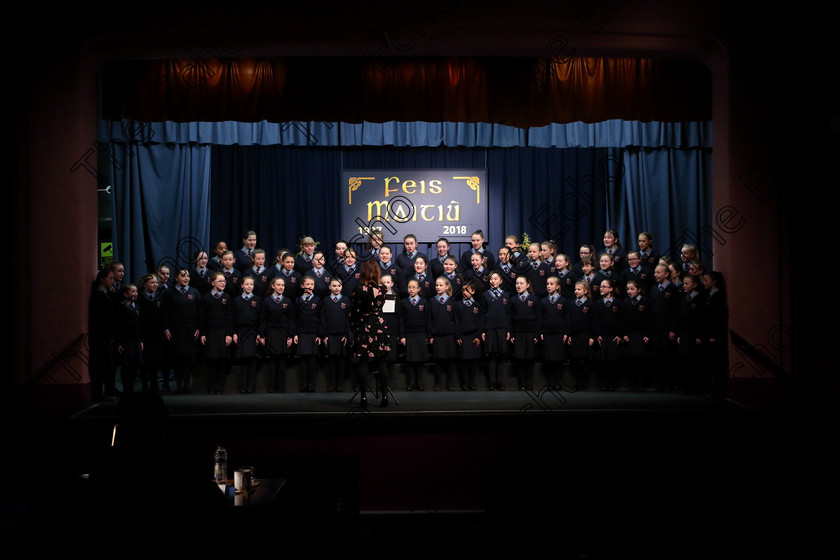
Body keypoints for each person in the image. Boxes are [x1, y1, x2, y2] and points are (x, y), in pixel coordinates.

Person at [349, 259, 392, 408]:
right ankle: (385, 397)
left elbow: (353, 311)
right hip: (379, 325)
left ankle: (364, 398)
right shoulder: (383, 289)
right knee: (381, 362)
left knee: (363, 362)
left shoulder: (359, 289)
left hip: (364, 324)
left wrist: (354, 327)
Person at [162, 268, 201, 393]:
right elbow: (164, 313)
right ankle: (179, 386)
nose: (186, 278)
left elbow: (201, 312)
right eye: (183, 276)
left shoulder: (194, 292)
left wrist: (199, 328)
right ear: (176, 278)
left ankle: (186, 385)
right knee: (177, 359)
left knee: (189, 359)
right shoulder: (169, 292)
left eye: (188, 276)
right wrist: (166, 329)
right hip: (176, 331)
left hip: (191, 330)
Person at [200, 272, 234, 394]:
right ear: (213, 282)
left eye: (224, 281)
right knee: (212, 360)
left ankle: (221, 386)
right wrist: (203, 333)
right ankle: (212, 386)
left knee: (222, 361)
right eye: (220, 281)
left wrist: (229, 334)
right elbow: (202, 317)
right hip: (210, 332)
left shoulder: (227, 297)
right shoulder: (206, 297)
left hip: (223, 332)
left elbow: (230, 317)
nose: (223, 283)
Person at [260, 276, 294, 393]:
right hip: (271, 332)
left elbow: (291, 319)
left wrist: (290, 336)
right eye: (278, 285)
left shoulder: (287, 301)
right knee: (273, 360)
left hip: (283, 333)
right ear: (273, 286)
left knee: (282, 361)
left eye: (283, 285)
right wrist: (262, 335)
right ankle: (272, 386)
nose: (281, 287)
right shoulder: (267, 301)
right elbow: (263, 319)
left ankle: (281, 386)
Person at [481, 271, 512, 390]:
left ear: (500, 281)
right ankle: (492, 382)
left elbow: (508, 313)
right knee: (492, 356)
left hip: (502, 328)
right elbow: (483, 313)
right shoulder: (485, 295)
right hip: (490, 328)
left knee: (501, 356)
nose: (493, 281)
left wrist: (508, 329)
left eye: (495, 279)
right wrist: (483, 330)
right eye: (491, 279)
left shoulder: (506, 295)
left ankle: (500, 381)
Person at [320, 278, 352, 392]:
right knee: (332, 361)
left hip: (342, 336)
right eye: (334, 286)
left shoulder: (346, 300)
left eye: (338, 285)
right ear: (329, 287)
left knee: (342, 361)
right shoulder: (325, 301)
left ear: (342, 287)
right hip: (330, 335)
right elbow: (323, 319)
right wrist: (324, 335)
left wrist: (347, 335)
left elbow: (348, 319)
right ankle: (332, 384)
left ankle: (340, 384)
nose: (336, 288)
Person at [427, 276, 459, 391]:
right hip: (437, 336)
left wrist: (456, 336)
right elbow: (429, 320)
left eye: (441, 285)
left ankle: (450, 383)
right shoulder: (432, 301)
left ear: (446, 287)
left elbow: (456, 320)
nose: (438, 287)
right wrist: (430, 335)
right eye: (436, 285)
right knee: (438, 361)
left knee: (450, 361)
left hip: (449, 335)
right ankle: (437, 383)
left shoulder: (451, 301)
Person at [509, 276, 541, 390]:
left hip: (530, 333)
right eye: (517, 283)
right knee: (520, 359)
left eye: (521, 283)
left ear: (527, 285)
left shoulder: (534, 299)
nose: (518, 285)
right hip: (518, 333)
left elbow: (538, 318)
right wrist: (512, 334)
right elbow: (510, 318)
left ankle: (529, 383)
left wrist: (536, 334)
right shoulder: (513, 300)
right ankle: (522, 383)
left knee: (529, 359)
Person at [701, 270, 729, 398]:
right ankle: (714, 389)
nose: (703, 282)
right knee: (711, 364)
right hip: (709, 334)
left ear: (714, 281)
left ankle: (719, 390)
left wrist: (714, 336)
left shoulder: (718, 296)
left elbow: (718, 318)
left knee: (717, 364)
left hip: (715, 336)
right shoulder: (709, 295)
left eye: (706, 280)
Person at [620, 278, 651, 391]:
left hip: (641, 335)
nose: (629, 291)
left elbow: (648, 320)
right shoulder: (625, 302)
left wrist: (647, 334)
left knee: (641, 361)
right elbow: (622, 320)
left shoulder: (645, 301)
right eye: (628, 289)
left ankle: (641, 384)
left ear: (638, 290)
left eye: (632, 289)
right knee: (631, 361)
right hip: (630, 335)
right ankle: (632, 384)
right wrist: (624, 334)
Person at [676, 274, 705, 394]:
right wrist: (679, 334)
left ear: (695, 285)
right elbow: (680, 318)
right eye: (683, 283)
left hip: (694, 334)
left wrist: (699, 335)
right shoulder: (683, 299)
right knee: (684, 360)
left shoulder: (700, 299)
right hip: (684, 334)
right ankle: (686, 385)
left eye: (687, 283)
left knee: (695, 361)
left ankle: (696, 387)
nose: (684, 286)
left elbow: (702, 319)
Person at [232, 276, 262, 393]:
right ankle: (243, 385)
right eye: (247, 284)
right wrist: (234, 332)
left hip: (253, 332)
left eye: (251, 284)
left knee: (252, 360)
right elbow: (232, 318)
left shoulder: (257, 300)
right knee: (243, 360)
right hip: (240, 332)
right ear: (242, 285)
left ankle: (251, 386)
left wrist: (259, 334)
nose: (249, 286)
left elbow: (261, 318)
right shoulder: (237, 300)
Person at [137, 273, 166, 392]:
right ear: (144, 284)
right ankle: (144, 385)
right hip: (144, 335)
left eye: (156, 283)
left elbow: (163, 316)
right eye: (152, 282)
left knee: (155, 361)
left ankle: (154, 385)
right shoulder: (139, 298)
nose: (155, 285)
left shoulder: (159, 296)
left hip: (157, 335)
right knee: (145, 361)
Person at [592, 278, 622, 391]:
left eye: (604, 287)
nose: (601, 288)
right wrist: (598, 334)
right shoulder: (598, 303)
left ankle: (612, 383)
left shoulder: (618, 303)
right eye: (600, 286)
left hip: (614, 336)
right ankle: (604, 383)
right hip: (603, 336)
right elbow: (596, 320)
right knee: (603, 361)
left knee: (612, 361)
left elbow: (620, 320)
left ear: (611, 289)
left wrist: (619, 334)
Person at [540, 275, 569, 391]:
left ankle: (557, 382)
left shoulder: (563, 301)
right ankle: (550, 382)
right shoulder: (543, 301)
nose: (549, 286)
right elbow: (541, 318)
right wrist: (541, 331)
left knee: (558, 360)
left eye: (551, 284)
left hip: (559, 334)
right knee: (548, 359)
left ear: (557, 286)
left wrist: (566, 333)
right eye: (547, 284)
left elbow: (567, 318)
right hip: (547, 333)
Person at [399, 278, 429, 391]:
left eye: (413, 287)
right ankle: (410, 382)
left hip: (421, 334)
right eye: (409, 287)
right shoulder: (404, 302)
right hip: (409, 335)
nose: (411, 289)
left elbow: (427, 320)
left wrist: (428, 335)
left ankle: (420, 382)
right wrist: (402, 336)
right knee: (410, 361)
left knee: (420, 361)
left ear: (419, 289)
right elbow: (401, 320)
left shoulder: (424, 302)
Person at [294, 275, 322, 392]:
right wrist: (295, 333)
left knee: (312, 361)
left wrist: (320, 335)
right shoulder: (297, 300)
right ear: (302, 286)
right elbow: (294, 318)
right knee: (303, 361)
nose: (309, 286)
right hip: (302, 333)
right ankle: (304, 383)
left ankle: (311, 384)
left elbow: (321, 318)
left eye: (311, 284)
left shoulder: (317, 300)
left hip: (314, 334)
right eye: (307, 284)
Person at [114, 283, 142, 394]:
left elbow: (140, 325)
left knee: (134, 365)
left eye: (136, 292)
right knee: (126, 366)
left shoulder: (138, 307)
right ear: (126, 294)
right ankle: (126, 389)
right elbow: (117, 326)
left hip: (135, 341)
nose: (135, 294)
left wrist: (140, 340)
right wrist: (118, 343)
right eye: (133, 292)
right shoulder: (120, 308)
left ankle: (131, 388)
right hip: (125, 341)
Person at [567, 280, 595, 391]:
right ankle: (578, 382)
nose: (576, 291)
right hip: (574, 335)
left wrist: (592, 336)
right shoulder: (572, 304)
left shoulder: (590, 304)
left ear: (585, 291)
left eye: (579, 289)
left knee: (585, 360)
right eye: (575, 289)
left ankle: (585, 382)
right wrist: (568, 334)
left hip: (585, 335)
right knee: (576, 360)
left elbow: (593, 322)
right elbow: (568, 320)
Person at [455, 280, 483, 390]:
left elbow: (480, 322)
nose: (464, 292)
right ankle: (465, 383)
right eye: (463, 290)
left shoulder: (477, 305)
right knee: (463, 362)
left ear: (473, 291)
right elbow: (456, 322)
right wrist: (458, 336)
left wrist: (478, 336)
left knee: (473, 362)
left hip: (474, 336)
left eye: (467, 290)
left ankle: (472, 382)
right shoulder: (458, 305)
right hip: (463, 336)